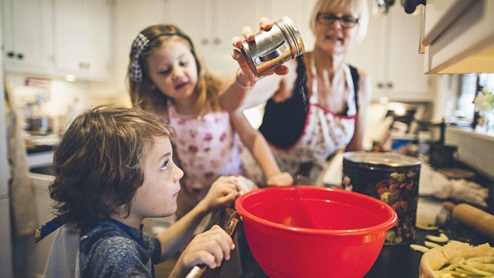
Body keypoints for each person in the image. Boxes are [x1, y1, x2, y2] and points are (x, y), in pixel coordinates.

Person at [38, 105, 238, 278]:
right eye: (165, 164)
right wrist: (181, 269)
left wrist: (203, 207)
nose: (179, 172)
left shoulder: (95, 222)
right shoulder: (116, 252)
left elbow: (158, 248)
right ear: (115, 190)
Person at [127, 24, 293, 221]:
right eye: (164, 71)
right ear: (151, 82)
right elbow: (174, 161)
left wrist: (273, 173)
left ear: (195, 61)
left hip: (237, 190)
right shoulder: (164, 116)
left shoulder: (220, 98)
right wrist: (183, 202)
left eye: (183, 63)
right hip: (199, 200)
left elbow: (251, 137)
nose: (178, 74)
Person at [226, 0, 372, 184]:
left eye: (348, 19)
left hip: (309, 188)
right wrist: (272, 173)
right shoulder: (289, 70)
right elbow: (234, 107)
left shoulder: (359, 81)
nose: (336, 25)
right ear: (315, 22)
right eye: (328, 17)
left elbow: (354, 152)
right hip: (261, 182)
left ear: (359, 27)